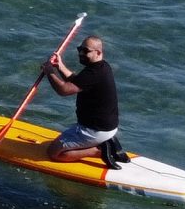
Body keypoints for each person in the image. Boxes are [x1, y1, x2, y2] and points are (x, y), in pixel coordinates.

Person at [41, 34, 130, 166]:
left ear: (98, 52)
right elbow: (77, 82)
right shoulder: (102, 67)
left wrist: (49, 71)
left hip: (94, 131)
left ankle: (100, 150)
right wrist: (59, 66)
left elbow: (64, 90)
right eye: (80, 49)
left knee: (54, 153)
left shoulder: (93, 73)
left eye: (85, 51)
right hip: (106, 128)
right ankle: (106, 142)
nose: (81, 53)